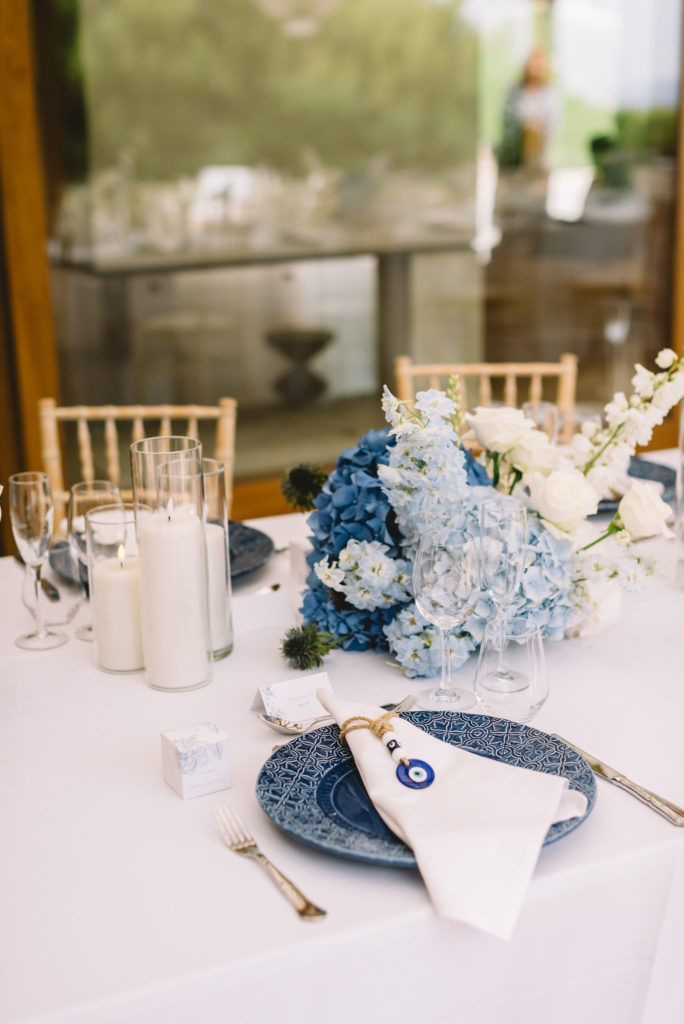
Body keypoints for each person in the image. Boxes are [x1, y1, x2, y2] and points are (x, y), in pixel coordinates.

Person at [499, 46, 561, 174]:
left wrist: (537, 127)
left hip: (540, 151)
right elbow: (507, 118)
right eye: (532, 65)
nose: (534, 70)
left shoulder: (550, 93)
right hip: (515, 149)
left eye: (538, 66)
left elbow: (554, 124)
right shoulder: (514, 90)